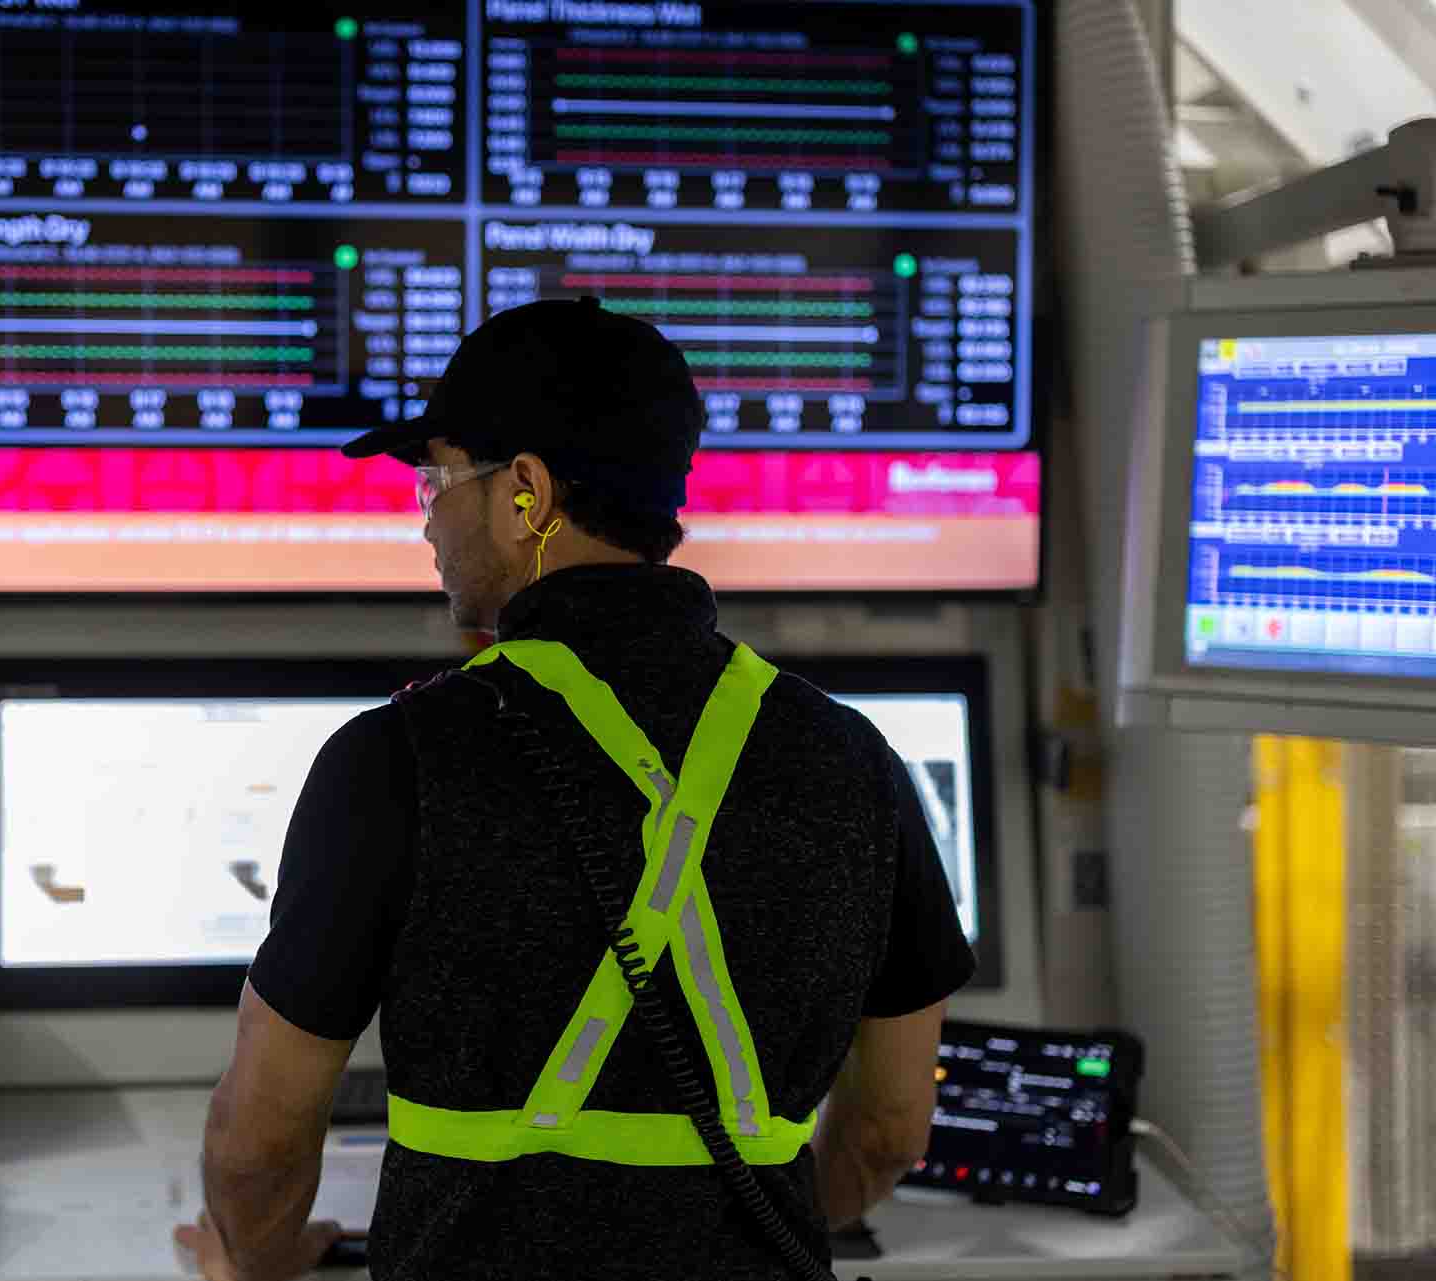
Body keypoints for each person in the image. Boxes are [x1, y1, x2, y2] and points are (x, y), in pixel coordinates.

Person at [174, 299, 974, 1280]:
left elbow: (260, 1139)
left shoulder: (395, 759)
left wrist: (255, 1261)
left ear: (526, 492)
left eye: (436, 480)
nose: (426, 519)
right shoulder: (858, 761)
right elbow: (891, 1128)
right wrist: (766, 1226)